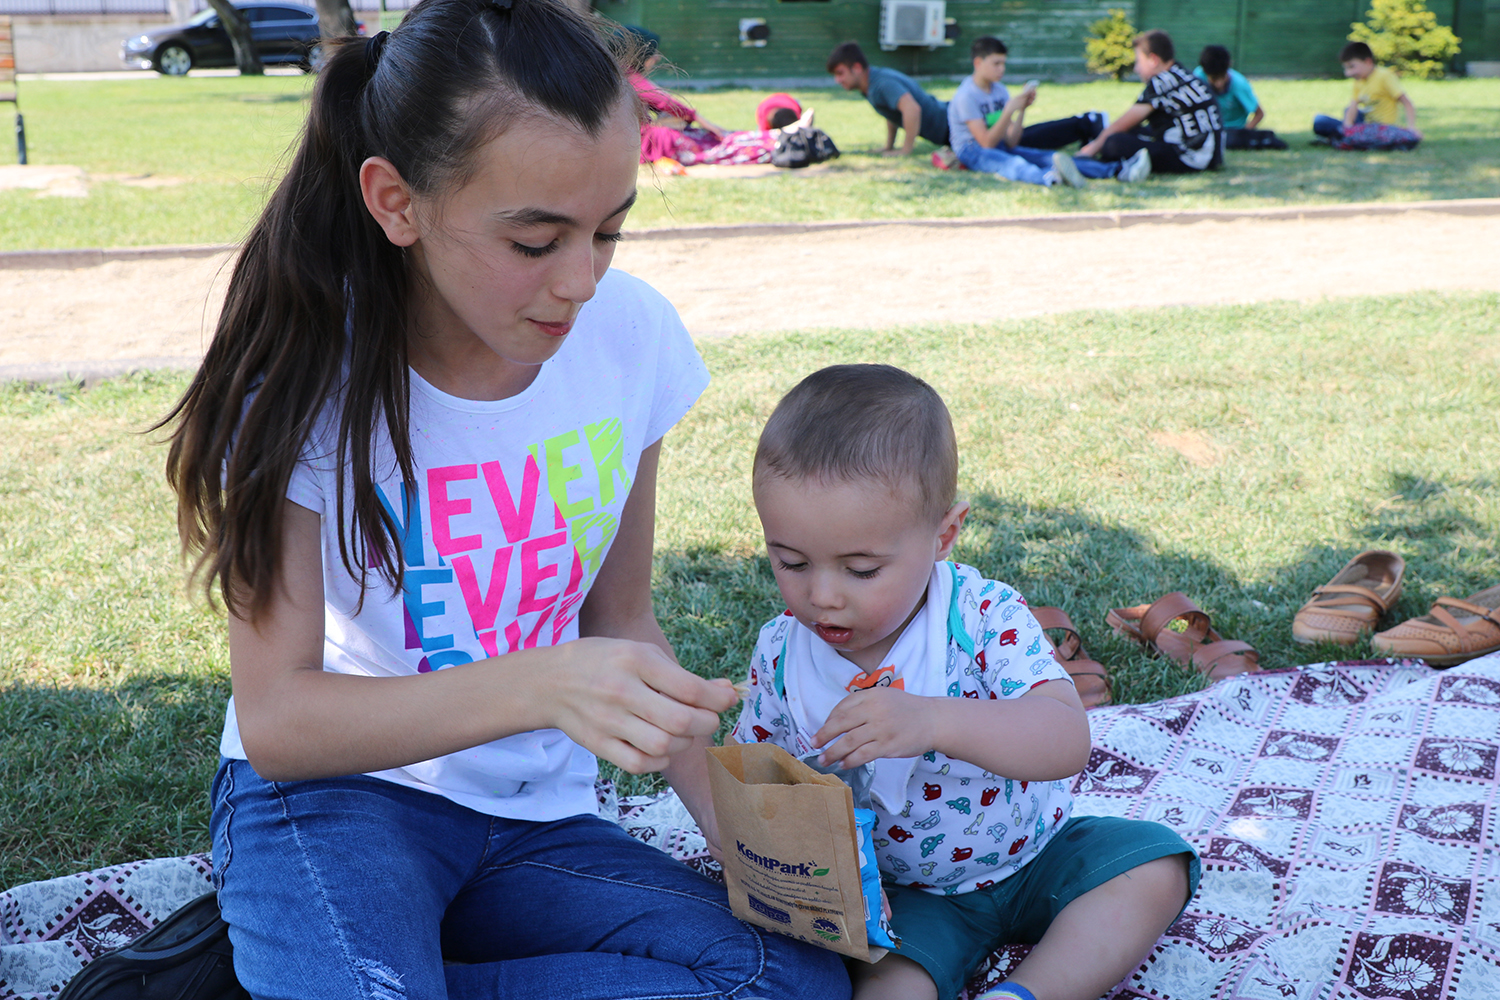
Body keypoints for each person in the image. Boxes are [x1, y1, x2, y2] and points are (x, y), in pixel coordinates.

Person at [155, 2, 852, 998]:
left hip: (533, 825)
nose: (580, 282)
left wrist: (757, 849)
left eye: (610, 231)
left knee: (794, 979)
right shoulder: (305, 377)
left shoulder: (632, 339)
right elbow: (278, 720)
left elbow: (623, 622)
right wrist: (539, 683)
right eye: (535, 242)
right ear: (397, 202)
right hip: (330, 803)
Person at [728, 365, 1200, 1000]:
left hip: (1037, 857)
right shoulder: (784, 654)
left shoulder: (981, 618)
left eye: (862, 569)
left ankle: (1029, 993)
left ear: (943, 535)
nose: (821, 595)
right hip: (908, 900)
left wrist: (932, 721)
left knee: (1153, 864)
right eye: (790, 562)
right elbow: (768, 793)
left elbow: (1064, 737)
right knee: (889, 985)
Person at [947, 35, 1150, 188]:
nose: (1001, 69)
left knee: (1050, 156)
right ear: (978, 63)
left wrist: (1022, 110)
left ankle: (1118, 170)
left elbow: (1012, 141)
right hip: (972, 150)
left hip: (999, 144)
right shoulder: (967, 95)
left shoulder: (999, 90)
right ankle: (1050, 178)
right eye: (996, 64)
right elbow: (986, 144)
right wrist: (1009, 111)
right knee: (1013, 163)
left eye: (1003, 63)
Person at [1080, 29, 1224, 173]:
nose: (1137, 69)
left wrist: (1089, 150)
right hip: (1212, 157)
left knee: (1113, 143)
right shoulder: (1183, 75)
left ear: (1153, 60)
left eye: (1138, 61)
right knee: (1132, 133)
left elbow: (1122, 124)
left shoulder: (1161, 82)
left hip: (1190, 158)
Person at [827, 41, 949, 156]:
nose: (837, 80)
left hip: (952, 123)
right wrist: (889, 146)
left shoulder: (882, 83)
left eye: (840, 73)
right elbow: (892, 111)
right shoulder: (871, 84)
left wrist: (905, 150)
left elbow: (912, 109)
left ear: (857, 68)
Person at [1313, 40, 1421, 147]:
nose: (1348, 73)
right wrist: (1347, 129)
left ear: (1368, 62)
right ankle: (1346, 136)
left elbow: (1406, 103)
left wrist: (1411, 127)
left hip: (1383, 129)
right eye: (1345, 68)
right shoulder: (1359, 81)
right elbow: (1352, 107)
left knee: (1324, 123)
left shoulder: (1384, 76)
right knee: (1321, 121)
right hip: (1364, 127)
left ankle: (1342, 137)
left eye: (1352, 67)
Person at [1195, 44, 1287, 150]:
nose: (1219, 84)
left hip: (1232, 130)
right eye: (1214, 79)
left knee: (1227, 140)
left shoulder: (1239, 84)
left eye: (1222, 77)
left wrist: (1245, 132)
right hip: (1209, 129)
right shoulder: (1197, 78)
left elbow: (1259, 114)